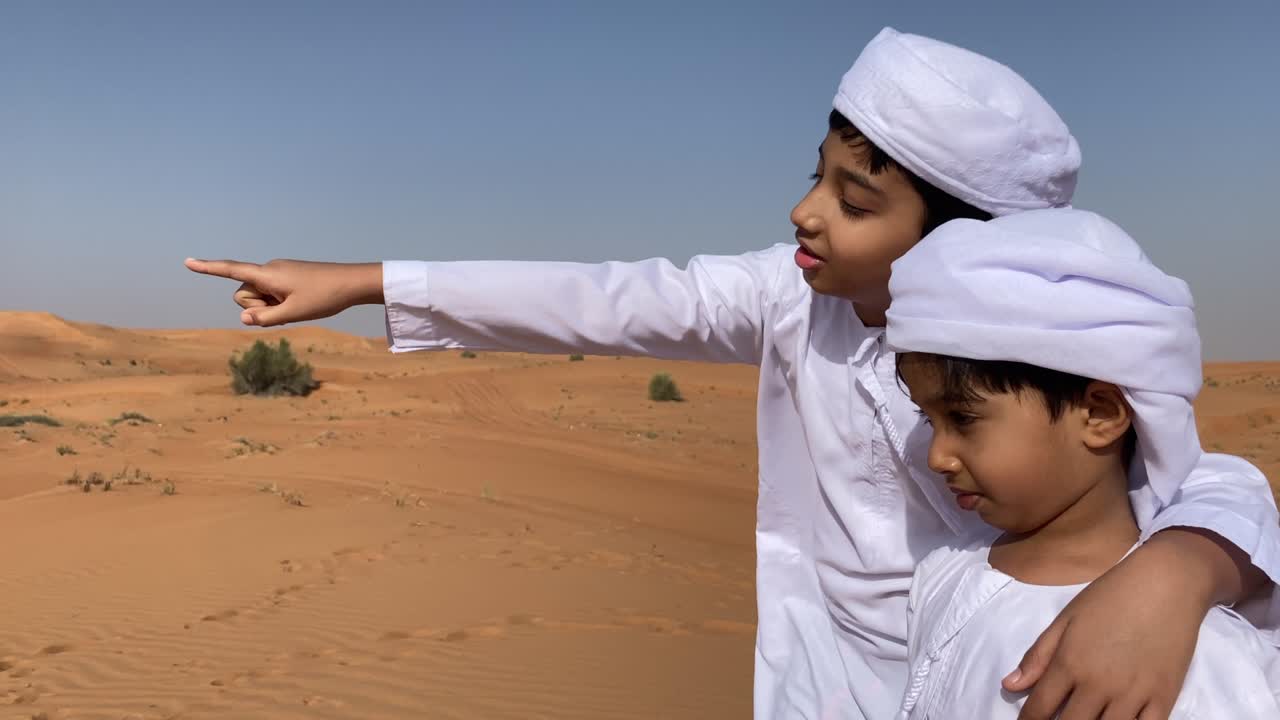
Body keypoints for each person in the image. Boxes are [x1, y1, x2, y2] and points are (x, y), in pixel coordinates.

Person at [185, 27, 1280, 720]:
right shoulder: (786, 295)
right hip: (829, 673)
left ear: (965, 241)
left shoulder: (1047, 347)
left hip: (1020, 660)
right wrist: (370, 278)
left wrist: (1175, 574)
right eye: (816, 177)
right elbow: (605, 298)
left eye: (856, 201)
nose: (807, 212)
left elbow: (1194, 474)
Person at [888, 208, 1280, 718]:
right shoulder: (944, 571)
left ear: (1099, 414)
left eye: (963, 418)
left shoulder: (1196, 656)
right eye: (929, 420)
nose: (937, 455)